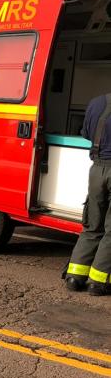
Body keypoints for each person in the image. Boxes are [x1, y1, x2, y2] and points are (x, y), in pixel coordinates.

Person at [65, 93, 111, 295]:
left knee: (92, 225)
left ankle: (75, 277)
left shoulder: (96, 102)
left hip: (96, 170)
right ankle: (97, 282)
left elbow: (86, 133)